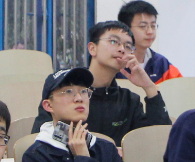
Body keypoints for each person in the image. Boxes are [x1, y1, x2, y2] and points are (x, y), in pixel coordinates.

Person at [30, 21, 171, 145]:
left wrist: (149, 87)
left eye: (128, 46)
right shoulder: (64, 91)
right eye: (114, 41)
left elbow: (158, 140)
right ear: (92, 48)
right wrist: (104, 151)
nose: (122, 49)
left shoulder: (129, 101)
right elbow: (42, 135)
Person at [118, 0, 182, 84]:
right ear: (125, 29)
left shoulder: (162, 63)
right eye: (143, 26)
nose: (150, 32)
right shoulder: (115, 62)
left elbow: (180, 88)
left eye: (153, 26)